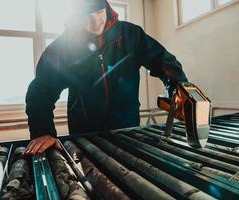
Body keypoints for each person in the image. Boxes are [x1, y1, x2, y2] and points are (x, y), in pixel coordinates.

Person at [24, 0, 188, 155]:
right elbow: (41, 90)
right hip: (84, 137)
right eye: (85, 16)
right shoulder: (62, 48)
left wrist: (179, 89)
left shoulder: (130, 35)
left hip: (128, 132)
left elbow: (163, 61)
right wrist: (43, 132)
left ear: (107, 8)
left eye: (99, 12)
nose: (95, 22)